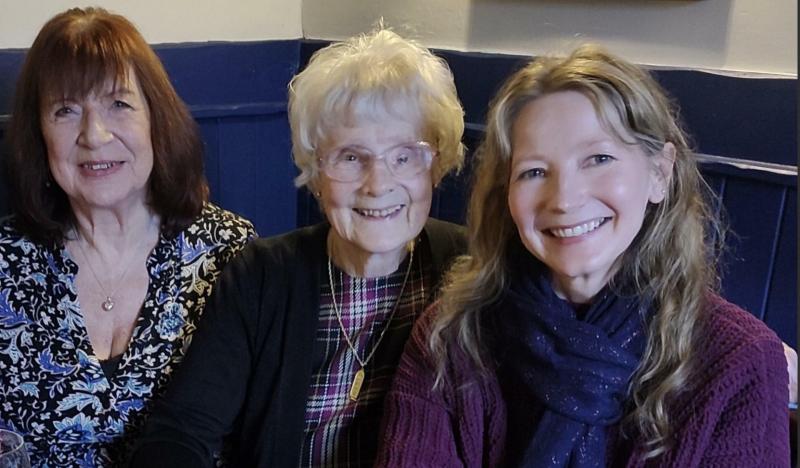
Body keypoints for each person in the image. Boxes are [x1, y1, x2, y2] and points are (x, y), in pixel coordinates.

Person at [377, 44, 790, 467]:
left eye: (599, 158)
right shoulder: (451, 337)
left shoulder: (739, 363)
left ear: (659, 174)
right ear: (508, 195)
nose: (565, 199)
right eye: (534, 171)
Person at [129, 27, 466, 467]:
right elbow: (182, 432)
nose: (378, 183)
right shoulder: (261, 276)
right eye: (350, 157)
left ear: (436, 166)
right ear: (316, 172)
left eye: (404, 156)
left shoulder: (470, 271)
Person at [0, 8, 255, 466]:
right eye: (65, 110)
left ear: (156, 118)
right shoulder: (5, 262)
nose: (94, 136)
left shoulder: (229, 252)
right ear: (38, 134)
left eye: (119, 104)